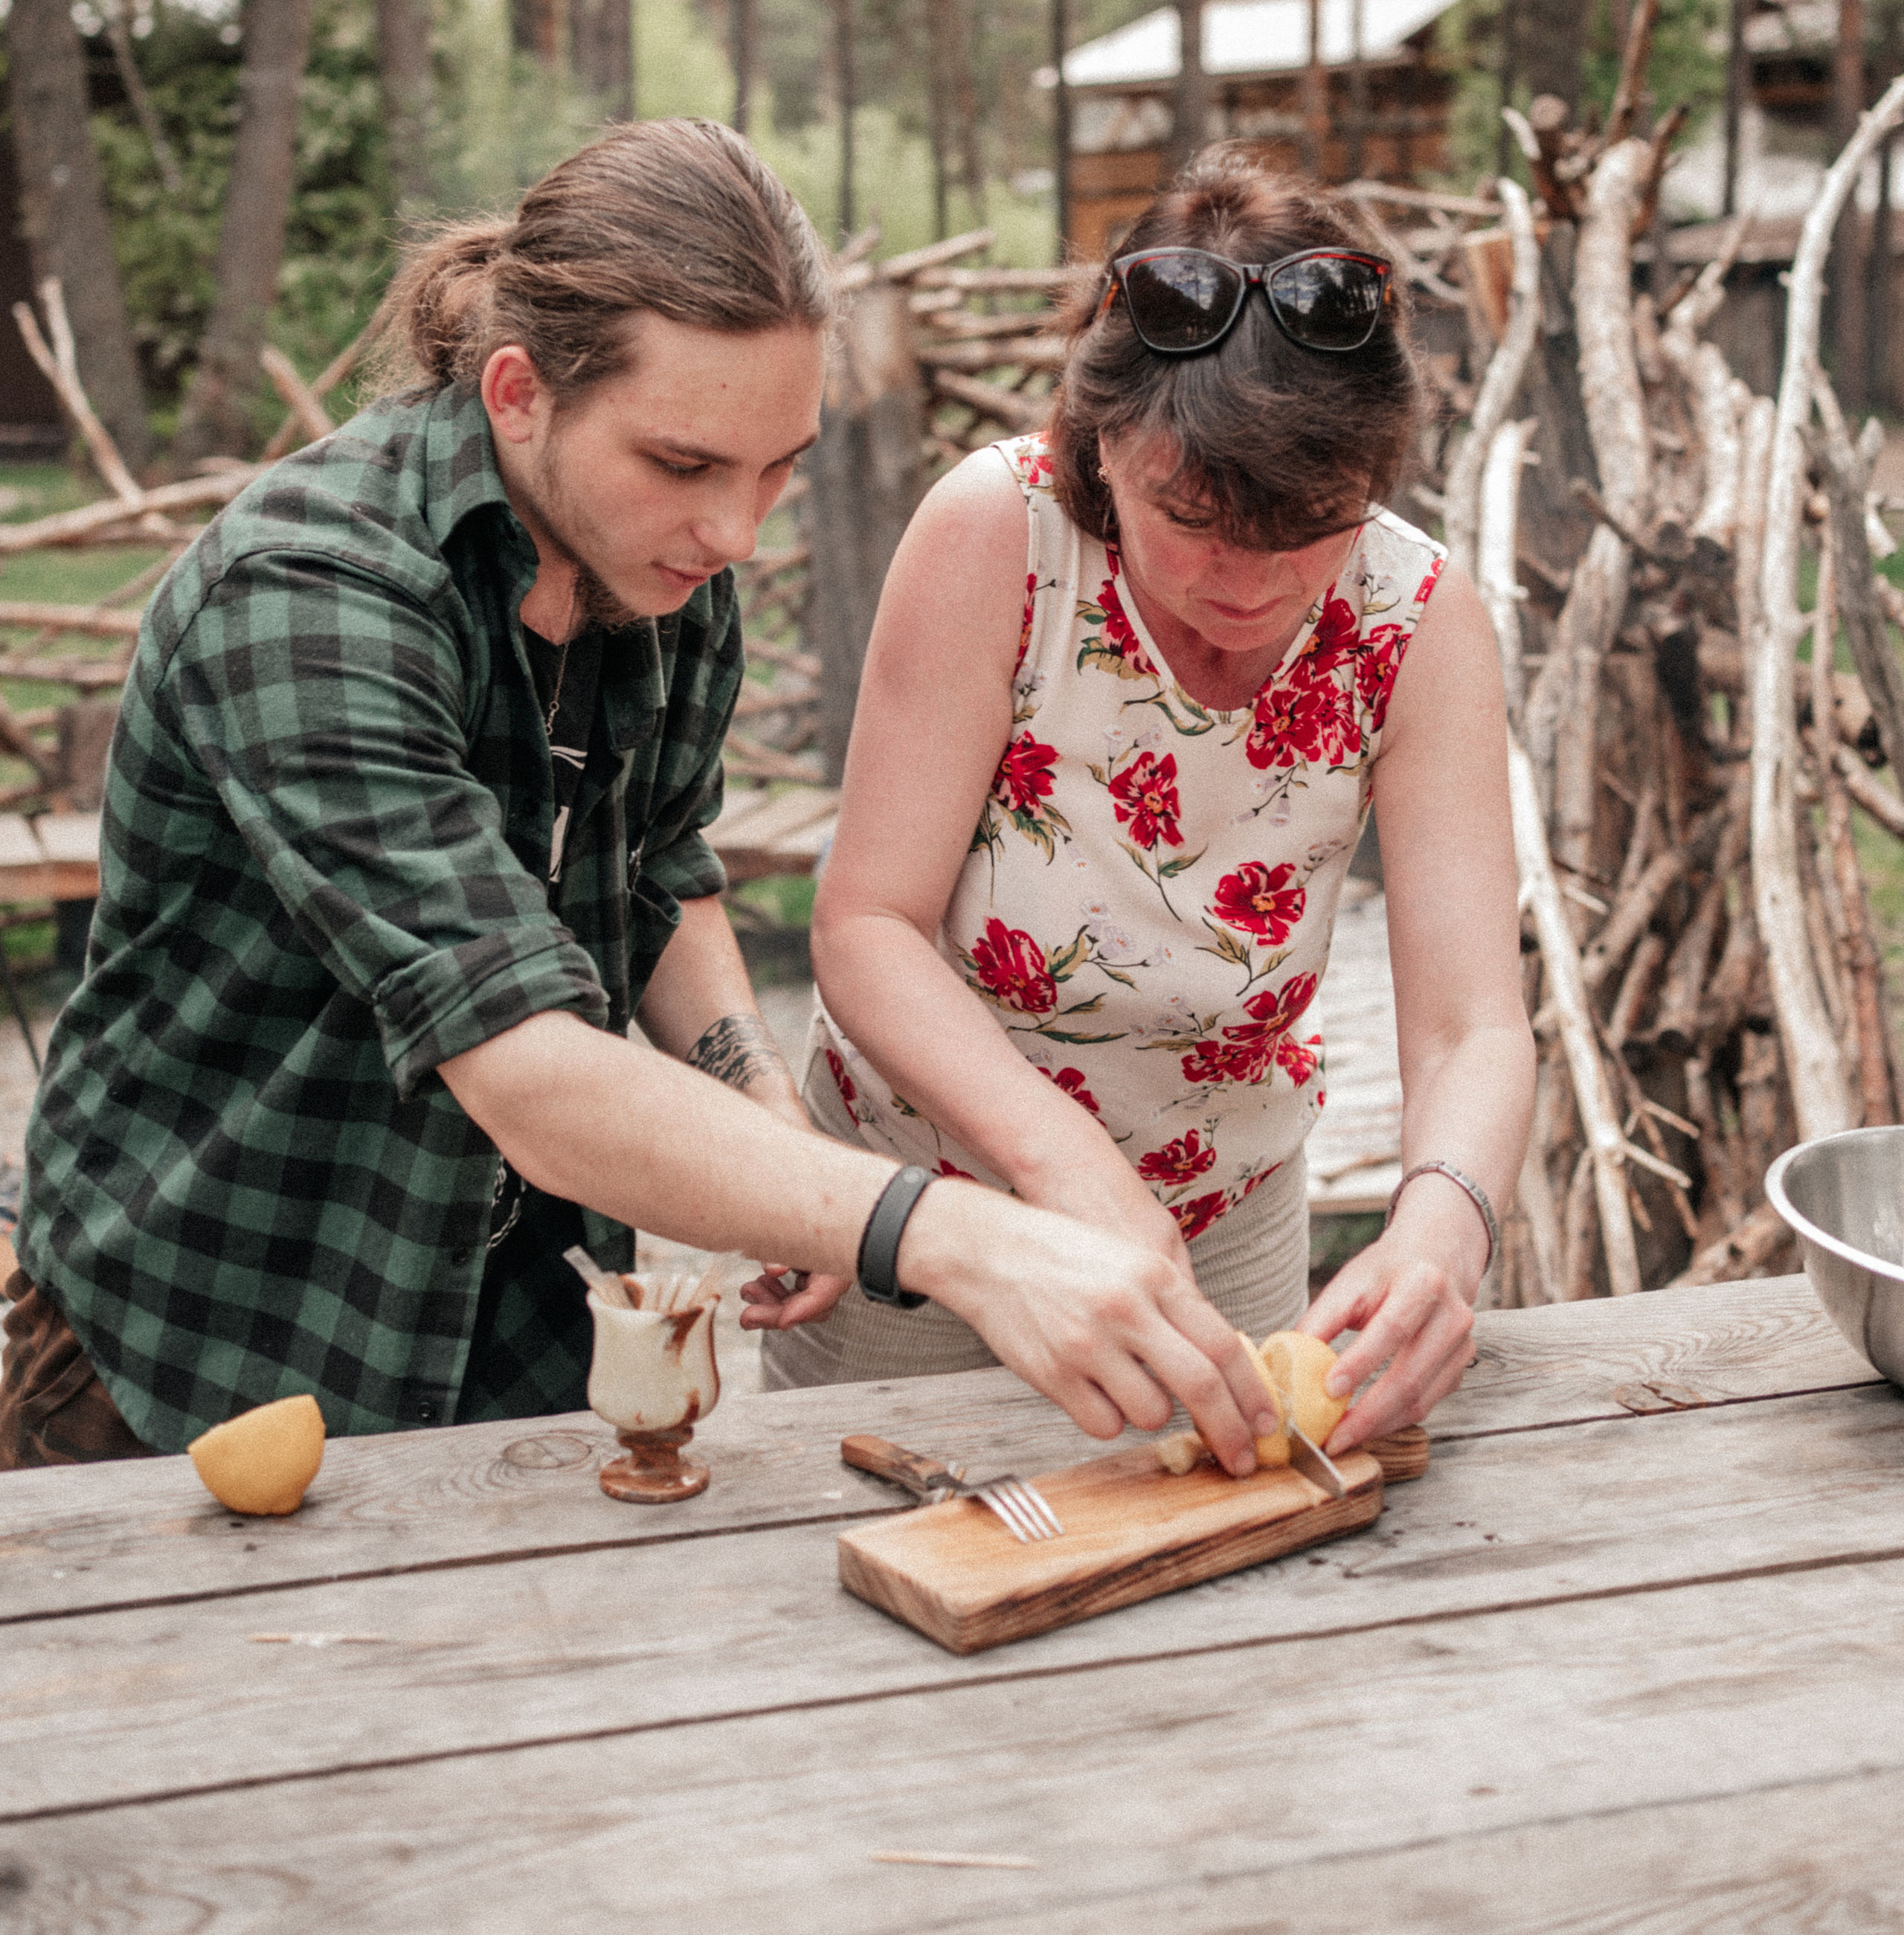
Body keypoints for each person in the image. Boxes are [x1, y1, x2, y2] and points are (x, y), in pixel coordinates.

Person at [1, 121, 1278, 1473]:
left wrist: (766, 1123)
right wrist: (950, 1233)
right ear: (517, 394)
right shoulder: (311, 599)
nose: (735, 534)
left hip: (518, 1344)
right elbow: (532, 1073)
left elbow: (659, 872)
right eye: (684, 465)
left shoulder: (662, 571)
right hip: (198, 1347)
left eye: (777, 467)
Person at [764, 150, 1535, 1452]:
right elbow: (867, 927)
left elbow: (1471, 1023)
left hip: (1222, 1221)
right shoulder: (997, 537)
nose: (1250, 580)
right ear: (1101, 441)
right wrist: (1070, 1175)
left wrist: (1445, 1225)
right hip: (936, 1217)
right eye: (1194, 518)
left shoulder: (1417, 620)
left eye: (1311, 524)